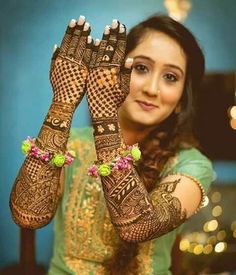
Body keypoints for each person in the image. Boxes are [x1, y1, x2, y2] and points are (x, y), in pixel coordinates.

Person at [10, 14, 213, 274]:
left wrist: (104, 112)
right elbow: (28, 214)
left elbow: (137, 226)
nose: (152, 88)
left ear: (182, 101)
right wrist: (62, 102)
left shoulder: (192, 164)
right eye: (141, 68)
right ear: (114, 71)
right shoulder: (71, 145)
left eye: (170, 77)